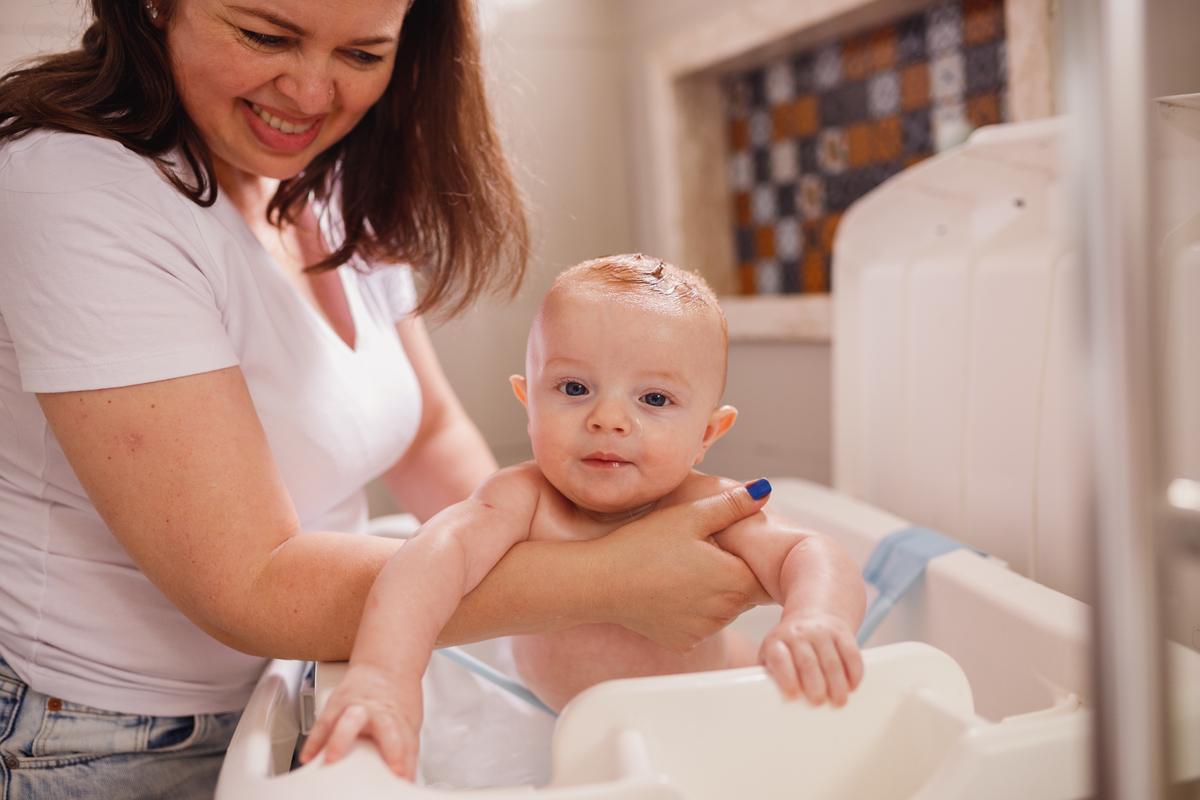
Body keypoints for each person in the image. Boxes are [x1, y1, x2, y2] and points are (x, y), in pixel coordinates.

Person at [0, 2, 775, 797]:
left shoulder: (325, 185)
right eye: (265, 36)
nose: (311, 93)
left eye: (363, 55)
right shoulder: (73, 187)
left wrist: (557, 525)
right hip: (107, 738)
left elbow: (427, 433)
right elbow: (249, 581)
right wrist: (610, 576)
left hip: (300, 678)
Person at [304, 255, 867, 778]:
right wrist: (384, 674)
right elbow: (433, 555)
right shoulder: (523, 501)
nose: (608, 418)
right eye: (574, 388)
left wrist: (816, 618)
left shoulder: (710, 508)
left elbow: (811, 552)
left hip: (705, 718)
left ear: (706, 433)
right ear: (529, 403)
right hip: (552, 719)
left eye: (654, 399)